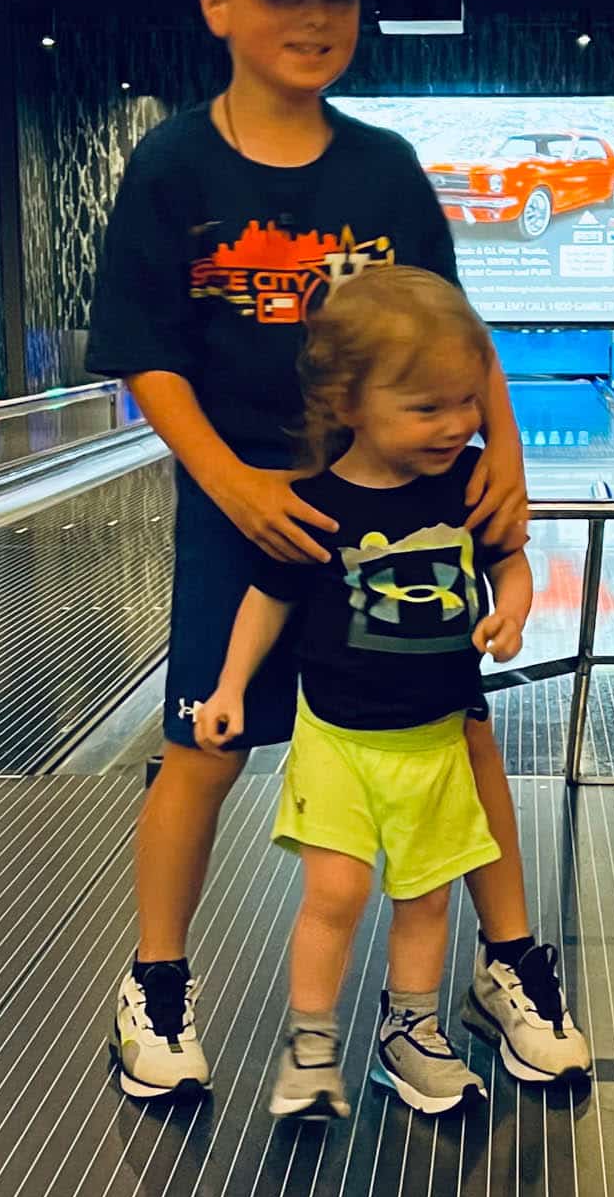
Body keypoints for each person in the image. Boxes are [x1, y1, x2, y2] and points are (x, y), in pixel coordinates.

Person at [85, 0, 591, 1099]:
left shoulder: (385, 170)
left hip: (402, 498)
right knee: (203, 741)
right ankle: (156, 982)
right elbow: (148, 354)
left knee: (460, 729)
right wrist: (234, 487)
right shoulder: (173, 166)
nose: (313, 16)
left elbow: (457, 334)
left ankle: (509, 962)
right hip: (246, 507)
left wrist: (505, 459)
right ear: (218, 6)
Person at [194, 266, 534, 1120]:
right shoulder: (313, 505)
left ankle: (410, 1034)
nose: (456, 424)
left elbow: (509, 561)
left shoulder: (468, 482)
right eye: (427, 409)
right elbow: (266, 600)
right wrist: (229, 687)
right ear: (348, 404)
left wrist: (514, 611)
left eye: (467, 402)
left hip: (437, 741)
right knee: (338, 894)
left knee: (426, 898)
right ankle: (311, 1047)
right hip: (338, 742)